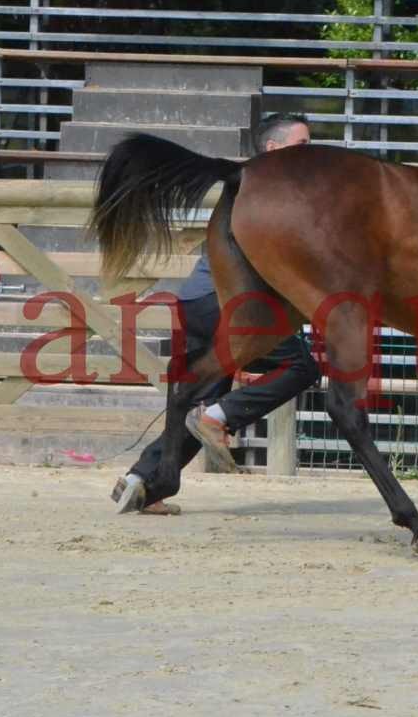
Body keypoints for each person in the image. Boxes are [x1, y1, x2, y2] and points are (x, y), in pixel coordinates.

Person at [111, 113, 323, 515]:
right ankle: (219, 416)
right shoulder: (272, 194)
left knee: (198, 401)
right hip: (233, 304)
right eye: (302, 145)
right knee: (300, 369)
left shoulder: (250, 188)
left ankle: (143, 483)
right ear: (273, 150)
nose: (308, 154)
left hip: (196, 300)